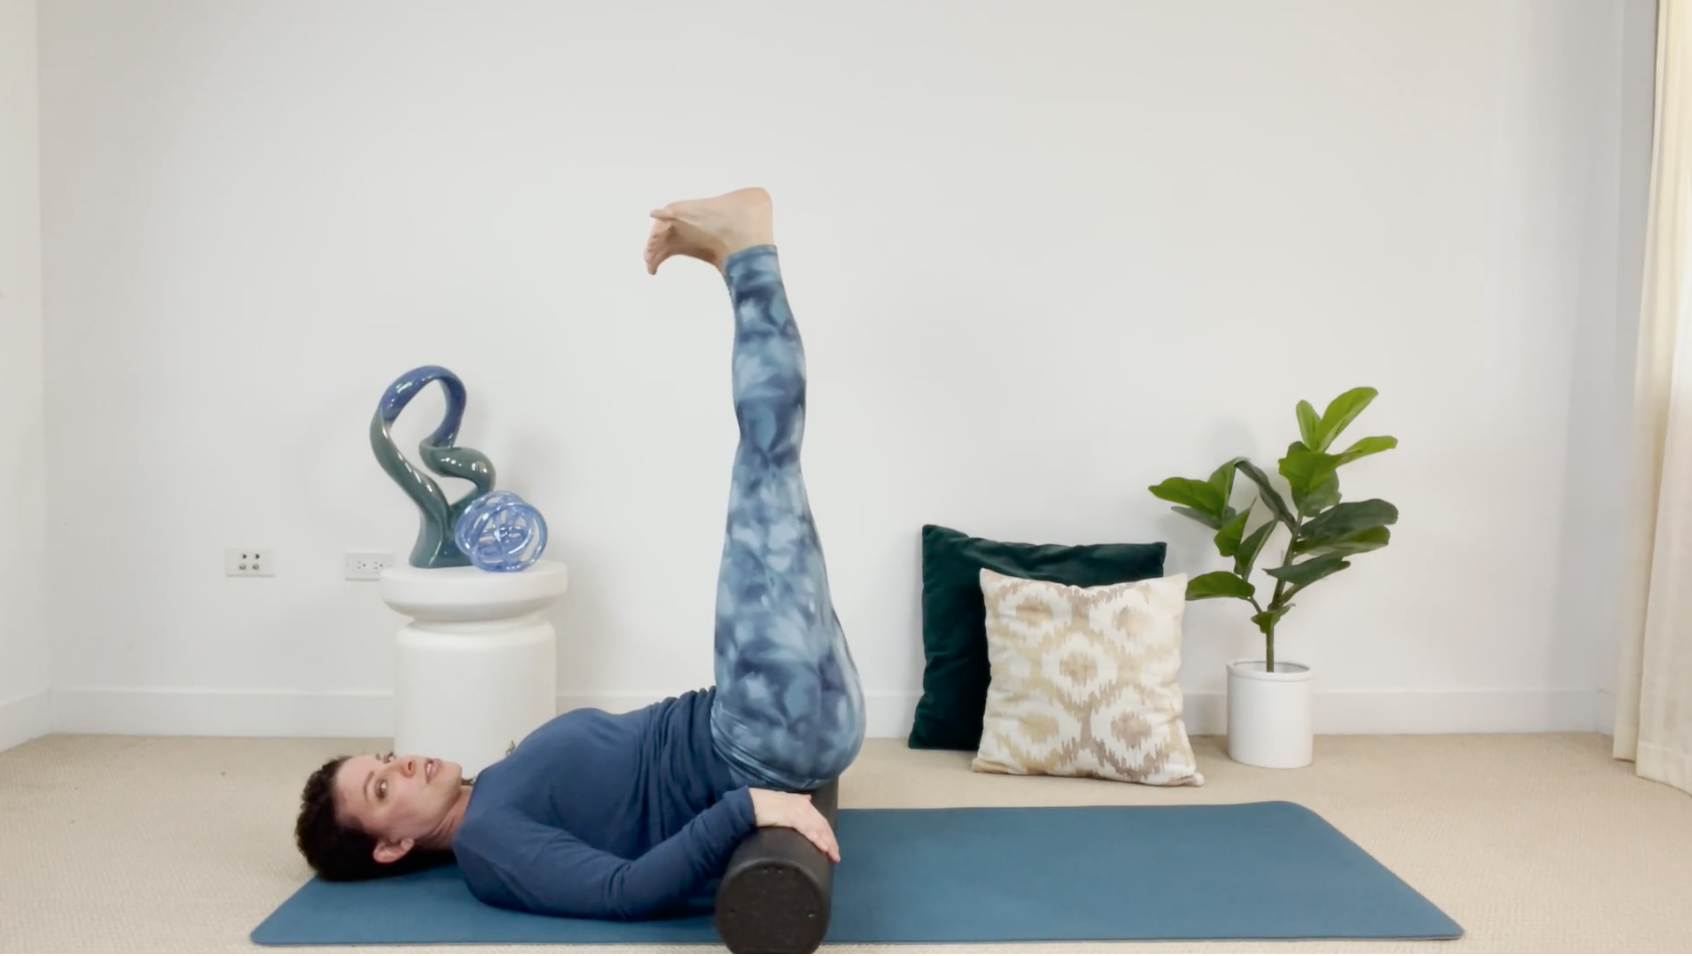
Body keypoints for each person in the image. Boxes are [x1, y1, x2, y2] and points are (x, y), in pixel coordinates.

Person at [293, 187, 867, 920]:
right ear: (392, 848)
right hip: (760, 741)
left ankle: (735, 255)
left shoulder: (496, 785)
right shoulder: (491, 846)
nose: (402, 764)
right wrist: (750, 807)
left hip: (762, 716)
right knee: (767, 459)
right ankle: (746, 253)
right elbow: (623, 892)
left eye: (383, 759)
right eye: (383, 789)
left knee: (772, 471)